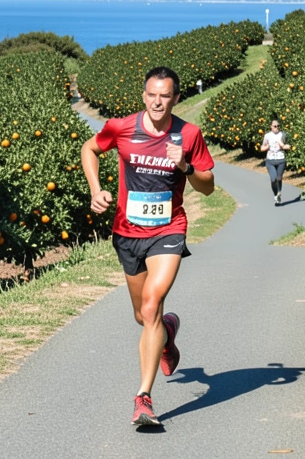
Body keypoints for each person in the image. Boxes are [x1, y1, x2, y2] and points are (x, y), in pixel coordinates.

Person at [80, 66, 216, 428]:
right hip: (127, 232)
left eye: (166, 96)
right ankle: (167, 335)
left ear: (176, 98)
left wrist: (185, 166)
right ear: (144, 96)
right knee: (144, 317)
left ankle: (143, 398)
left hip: (168, 230)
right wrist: (96, 190)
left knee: (153, 304)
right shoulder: (122, 127)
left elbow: (208, 186)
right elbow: (89, 148)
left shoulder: (189, 134)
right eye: (152, 95)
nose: (158, 101)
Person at [260, 119, 292, 205]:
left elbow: (289, 146)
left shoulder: (283, 135)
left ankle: (279, 193)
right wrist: (268, 146)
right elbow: (262, 148)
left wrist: (283, 145)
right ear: (271, 127)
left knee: (279, 178)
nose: (276, 128)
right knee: (273, 179)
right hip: (270, 160)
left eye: (278, 126)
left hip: (281, 159)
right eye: (274, 126)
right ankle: (275, 195)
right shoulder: (267, 136)